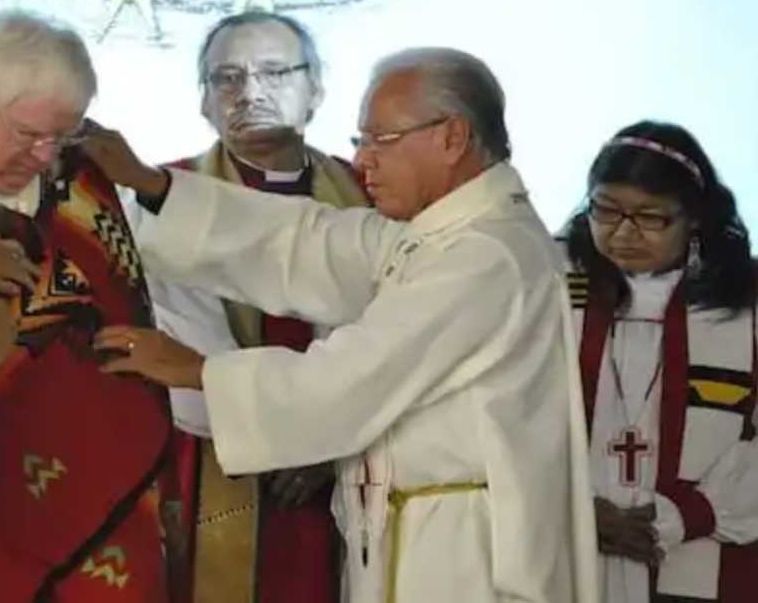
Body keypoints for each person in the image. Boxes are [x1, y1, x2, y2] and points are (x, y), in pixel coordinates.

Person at [83, 47, 599, 603]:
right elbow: (308, 243)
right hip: (419, 532)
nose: (363, 162)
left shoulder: (485, 254)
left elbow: (350, 380)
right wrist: (154, 186)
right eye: (360, 142)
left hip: (458, 552)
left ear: (451, 137)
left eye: (381, 140)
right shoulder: (448, 233)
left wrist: (198, 371)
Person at [0, 10, 171, 602]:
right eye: (27, 135)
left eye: (61, 137)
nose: (46, 156)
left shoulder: (83, 178)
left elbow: (117, 296)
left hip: (111, 478)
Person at [131, 11, 365, 603]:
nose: (249, 93)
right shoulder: (163, 198)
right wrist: (274, 433)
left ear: (316, 90)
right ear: (203, 101)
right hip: (213, 462)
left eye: (273, 72)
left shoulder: (369, 197)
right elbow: (174, 338)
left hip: (345, 463)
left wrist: (329, 444)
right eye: (226, 79)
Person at [561, 120, 758, 603]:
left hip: (704, 558)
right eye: (605, 210)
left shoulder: (747, 301)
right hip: (566, 547)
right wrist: (571, 507)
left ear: (694, 218)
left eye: (650, 217)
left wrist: (687, 514)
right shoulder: (550, 285)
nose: (623, 233)